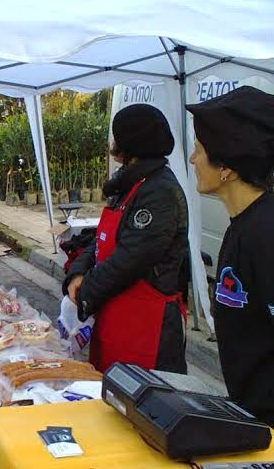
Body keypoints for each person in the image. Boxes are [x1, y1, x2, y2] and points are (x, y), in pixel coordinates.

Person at [63, 104, 188, 374]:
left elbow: (131, 258)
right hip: (114, 311)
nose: (112, 142)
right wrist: (76, 273)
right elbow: (101, 241)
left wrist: (86, 291)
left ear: (129, 142)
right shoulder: (129, 182)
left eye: (116, 135)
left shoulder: (160, 191)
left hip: (145, 324)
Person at [187, 86, 274, 426]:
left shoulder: (265, 233)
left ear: (227, 167)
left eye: (199, 150)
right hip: (250, 413)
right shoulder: (242, 223)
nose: (193, 160)